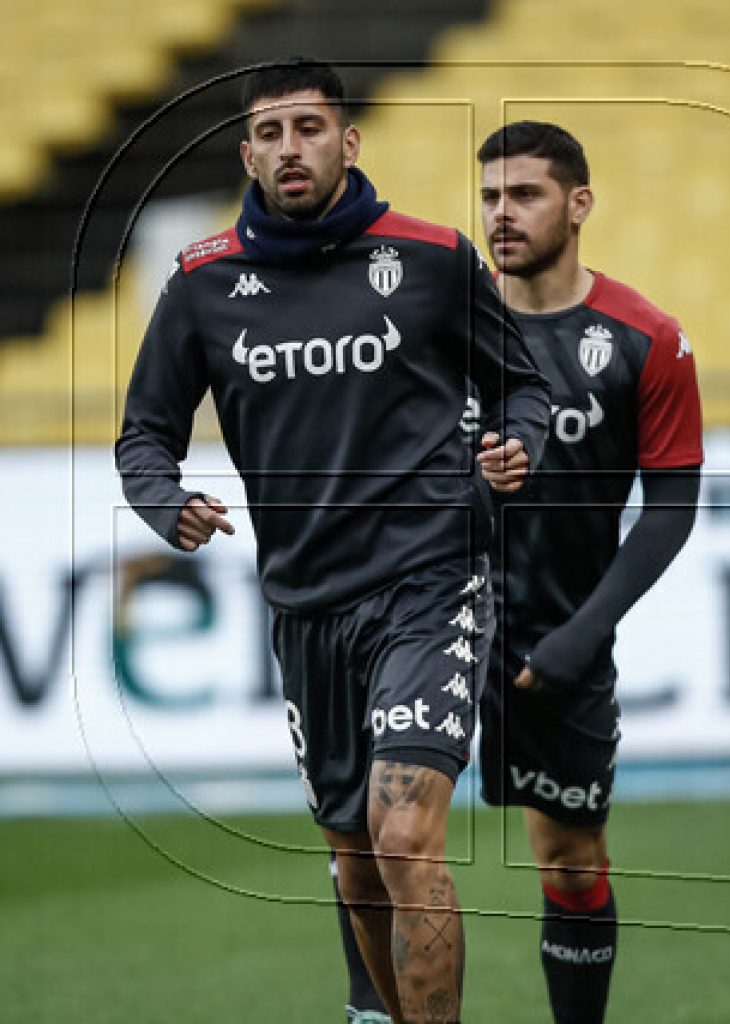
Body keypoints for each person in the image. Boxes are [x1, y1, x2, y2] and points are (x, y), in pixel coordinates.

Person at [115, 59, 551, 1024]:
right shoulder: (202, 284)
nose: (290, 149)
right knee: (355, 855)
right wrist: (162, 499)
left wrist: (517, 441)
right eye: (269, 135)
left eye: (308, 129)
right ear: (247, 154)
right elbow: (145, 431)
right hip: (307, 606)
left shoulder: (433, 258)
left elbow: (526, 384)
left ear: (348, 142)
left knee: (404, 842)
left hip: (431, 583)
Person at [475, 120, 702, 1022]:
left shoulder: (646, 338)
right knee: (388, 833)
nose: (501, 213)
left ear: (579, 204)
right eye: (489, 195)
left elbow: (671, 508)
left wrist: (579, 638)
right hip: (429, 619)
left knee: (569, 860)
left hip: (553, 634)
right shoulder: (434, 322)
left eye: (523, 194)